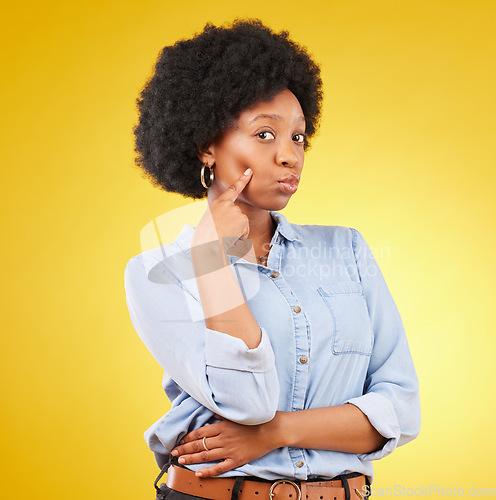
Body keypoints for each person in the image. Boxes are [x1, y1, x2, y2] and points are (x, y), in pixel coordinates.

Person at [124, 19, 421, 500]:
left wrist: (276, 432)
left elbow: (401, 410)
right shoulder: (155, 273)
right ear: (206, 145)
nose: (290, 156)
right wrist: (211, 259)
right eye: (266, 135)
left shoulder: (345, 249)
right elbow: (247, 402)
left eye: (299, 138)